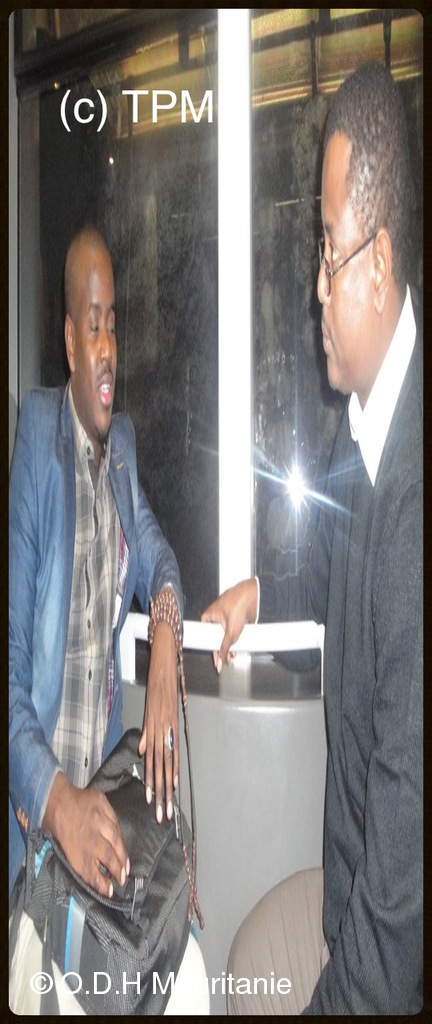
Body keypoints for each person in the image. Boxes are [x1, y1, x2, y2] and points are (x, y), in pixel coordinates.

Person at [202, 61, 422, 1014]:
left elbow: (395, 936)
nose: (314, 287)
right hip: (346, 898)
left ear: (378, 262)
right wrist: (260, 595)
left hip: (383, 954)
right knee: (244, 958)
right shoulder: (364, 429)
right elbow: (331, 565)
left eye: (328, 253)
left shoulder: (414, 507)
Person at [9, 226, 209, 1014]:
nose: (106, 349)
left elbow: (161, 562)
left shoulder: (120, 447)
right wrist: (53, 799)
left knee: (179, 978)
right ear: (69, 341)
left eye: (114, 324)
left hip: (103, 807)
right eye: (91, 325)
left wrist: (165, 637)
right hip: (41, 823)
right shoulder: (38, 441)